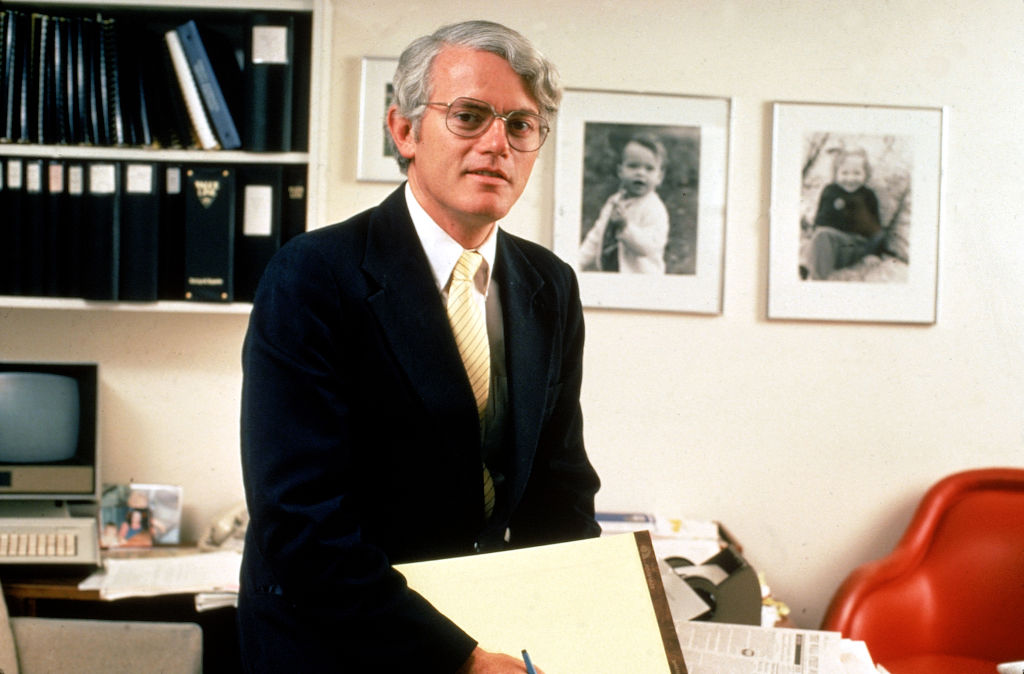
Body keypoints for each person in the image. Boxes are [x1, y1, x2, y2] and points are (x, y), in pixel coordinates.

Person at [237, 20, 601, 673]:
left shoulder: (551, 285)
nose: (499, 144)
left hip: (486, 636)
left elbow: (561, 491)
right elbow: (301, 522)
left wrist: (583, 631)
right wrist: (458, 658)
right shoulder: (313, 276)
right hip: (337, 646)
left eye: (521, 125)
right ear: (403, 130)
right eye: (469, 116)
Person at [578, 132, 670, 273]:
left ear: (659, 176)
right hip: (611, 271)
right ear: (620, 171)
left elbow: (648, 247)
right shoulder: (614, 201)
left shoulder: (654, 208)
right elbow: (597, 235)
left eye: (649, 168)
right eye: (633, 166)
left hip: (641, 279)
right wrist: (577, 261)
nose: (640, 173)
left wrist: (625, 227)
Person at [801, 147, 885, 280]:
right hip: (831, 243)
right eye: (844, 173)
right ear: (836, 174)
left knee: (822, 236)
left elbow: (876, 229)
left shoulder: (868, 195)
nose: (850, 178)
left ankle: (816, 277)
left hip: (854, 245)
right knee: (818, 237)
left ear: (866, 174)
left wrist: (874, 253)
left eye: (857, 173)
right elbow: (821, 220)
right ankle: (809, 270)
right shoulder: (830, 191)